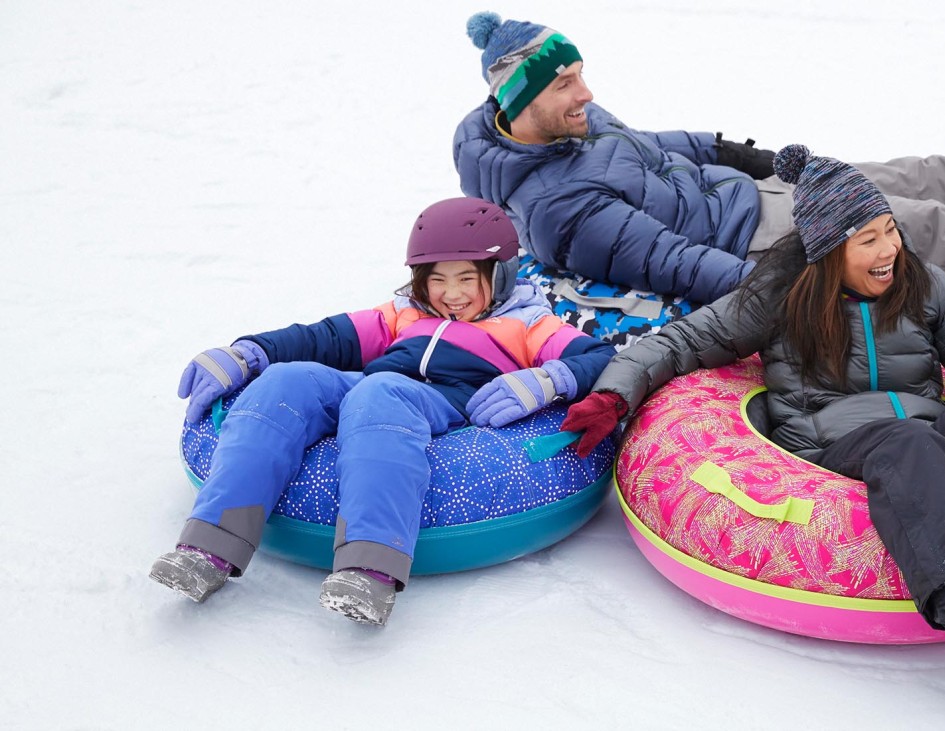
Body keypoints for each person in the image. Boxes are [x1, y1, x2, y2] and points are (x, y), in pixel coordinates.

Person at [559, 145, 945, 701]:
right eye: (868, 239)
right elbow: (687, 340)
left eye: (889, 229)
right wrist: (615, 394)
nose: (888, 249)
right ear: (829, 250)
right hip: (829, 442)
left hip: (923, 426)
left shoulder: (924, 287)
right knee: (913, 443)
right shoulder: (780, 297)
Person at [453, 11, 945, 364]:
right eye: (566, 82)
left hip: (751, 190)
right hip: (756, 236)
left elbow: (650, 144)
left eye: (581, 73)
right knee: (918, 227)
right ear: (521, 102)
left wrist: (745, 152)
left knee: (941, 172)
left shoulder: (568, 122)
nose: (586, 90)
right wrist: (775, 286)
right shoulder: (561, 210)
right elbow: (675, 261)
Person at [149, 198, 616, 626]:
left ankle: (369, 569)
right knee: (286, 381)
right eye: (436, 279)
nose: (450, 294)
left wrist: (547, 379)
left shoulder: (528, 321)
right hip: (369, 388)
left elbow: (598, 357)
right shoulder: (403, 313)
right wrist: (250, 351)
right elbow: (326, 337)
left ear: (500, 275)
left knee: (381, 393)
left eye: (466, 278)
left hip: (445, 402)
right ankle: (208, 547)